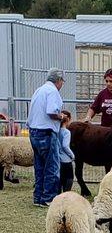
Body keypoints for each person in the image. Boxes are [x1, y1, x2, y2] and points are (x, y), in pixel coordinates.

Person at [26, 68, 66, 207]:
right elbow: (52, 111)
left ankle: (38, 196)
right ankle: (48, 198)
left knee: (39, 166)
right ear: (59, 80)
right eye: (62, 81)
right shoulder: (53, 92)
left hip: (34, 131)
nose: (62, 84)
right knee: (51, 166)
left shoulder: (39, 90)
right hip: (47, 132)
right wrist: (62, 116)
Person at [58, 110, 75, 192]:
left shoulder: (56, 131)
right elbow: (65, 145)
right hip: (66, 160)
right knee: (69, 178)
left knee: (60, 178)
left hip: (58, 159)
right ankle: (66, 194)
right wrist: (72, 155)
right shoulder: (67, 132)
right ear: (67, 119)